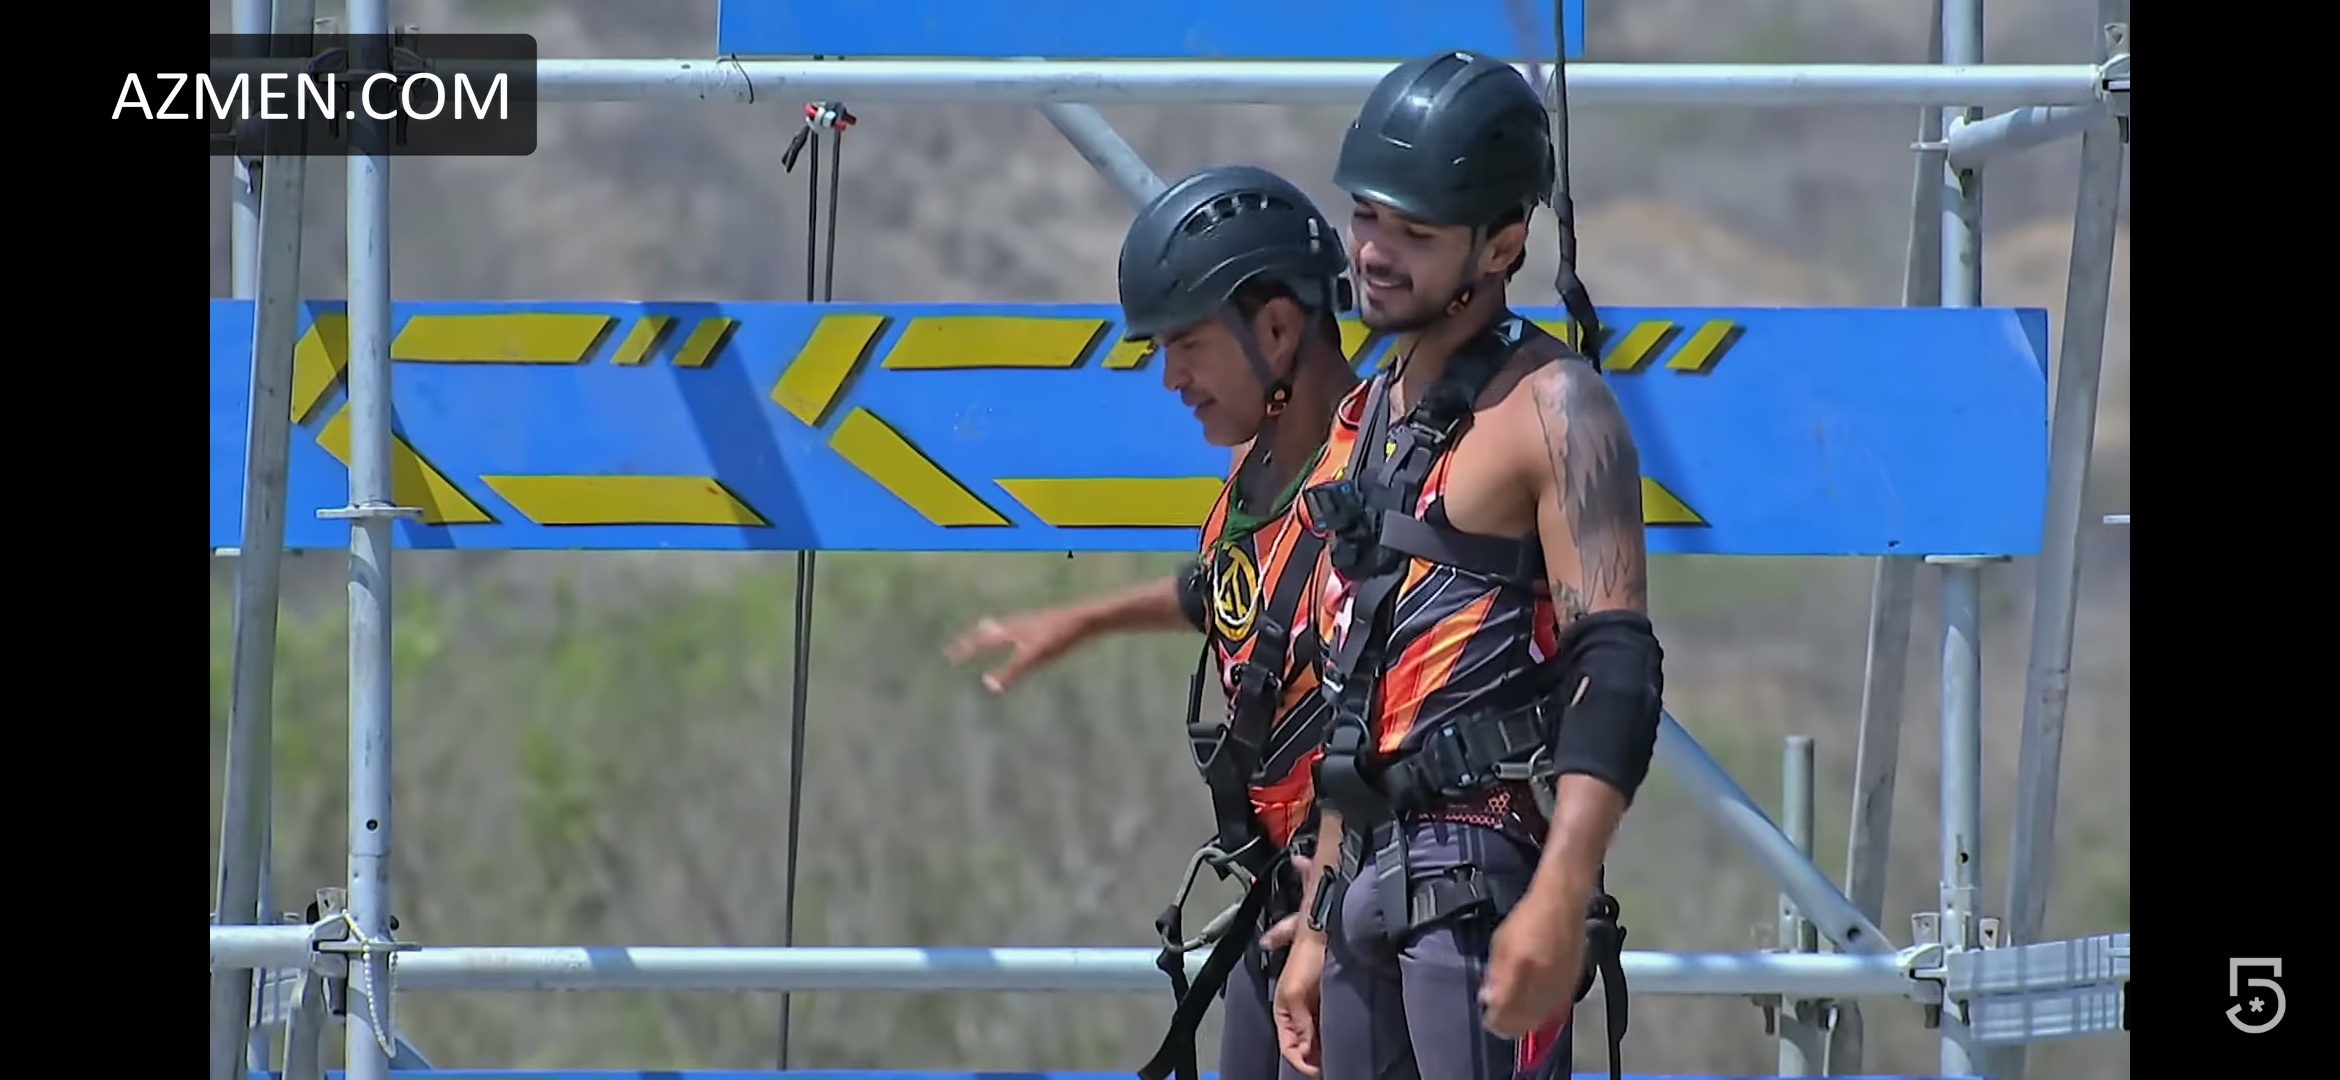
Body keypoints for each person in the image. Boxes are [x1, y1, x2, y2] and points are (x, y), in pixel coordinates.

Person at [1264, 50, 1666, 1080]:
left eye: (1415, 232)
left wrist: (1561, 894)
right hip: (1363, 889)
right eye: (1366, 216)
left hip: (1478, 888)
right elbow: (1354, 693)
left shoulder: (1555, 408)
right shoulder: (1369, 411)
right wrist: (1317, 923)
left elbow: (1617, 669)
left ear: (1503, 245)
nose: (1374, 251)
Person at [942, 163, 1358, 1080]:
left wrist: (1328, 918)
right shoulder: (1261, 472)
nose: (1171, 378)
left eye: (1189, 346)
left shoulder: (1377, 485)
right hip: (1278, 893)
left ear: (1277, 329)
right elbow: (1232, 593)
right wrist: (1081, 621)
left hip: (1357, 917)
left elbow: (1379, 721)